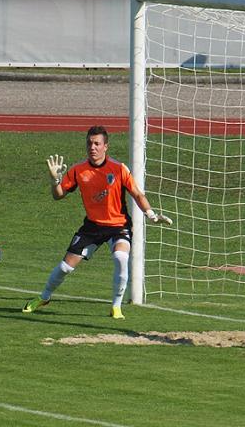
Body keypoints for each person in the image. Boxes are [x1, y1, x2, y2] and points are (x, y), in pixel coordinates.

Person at [22, 126, 172, 319]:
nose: (92, 147)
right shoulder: (78, 170)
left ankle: (116, 307)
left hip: (118, 226)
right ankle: (43, 297)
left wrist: (150, 214)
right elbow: (58, 196)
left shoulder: (119, 169)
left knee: (121, 257)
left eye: (97, 144)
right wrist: (54, 181)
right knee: (65, 267)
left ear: (105, 147)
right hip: (92, 227)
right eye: (89, 143)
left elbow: (137, 194)